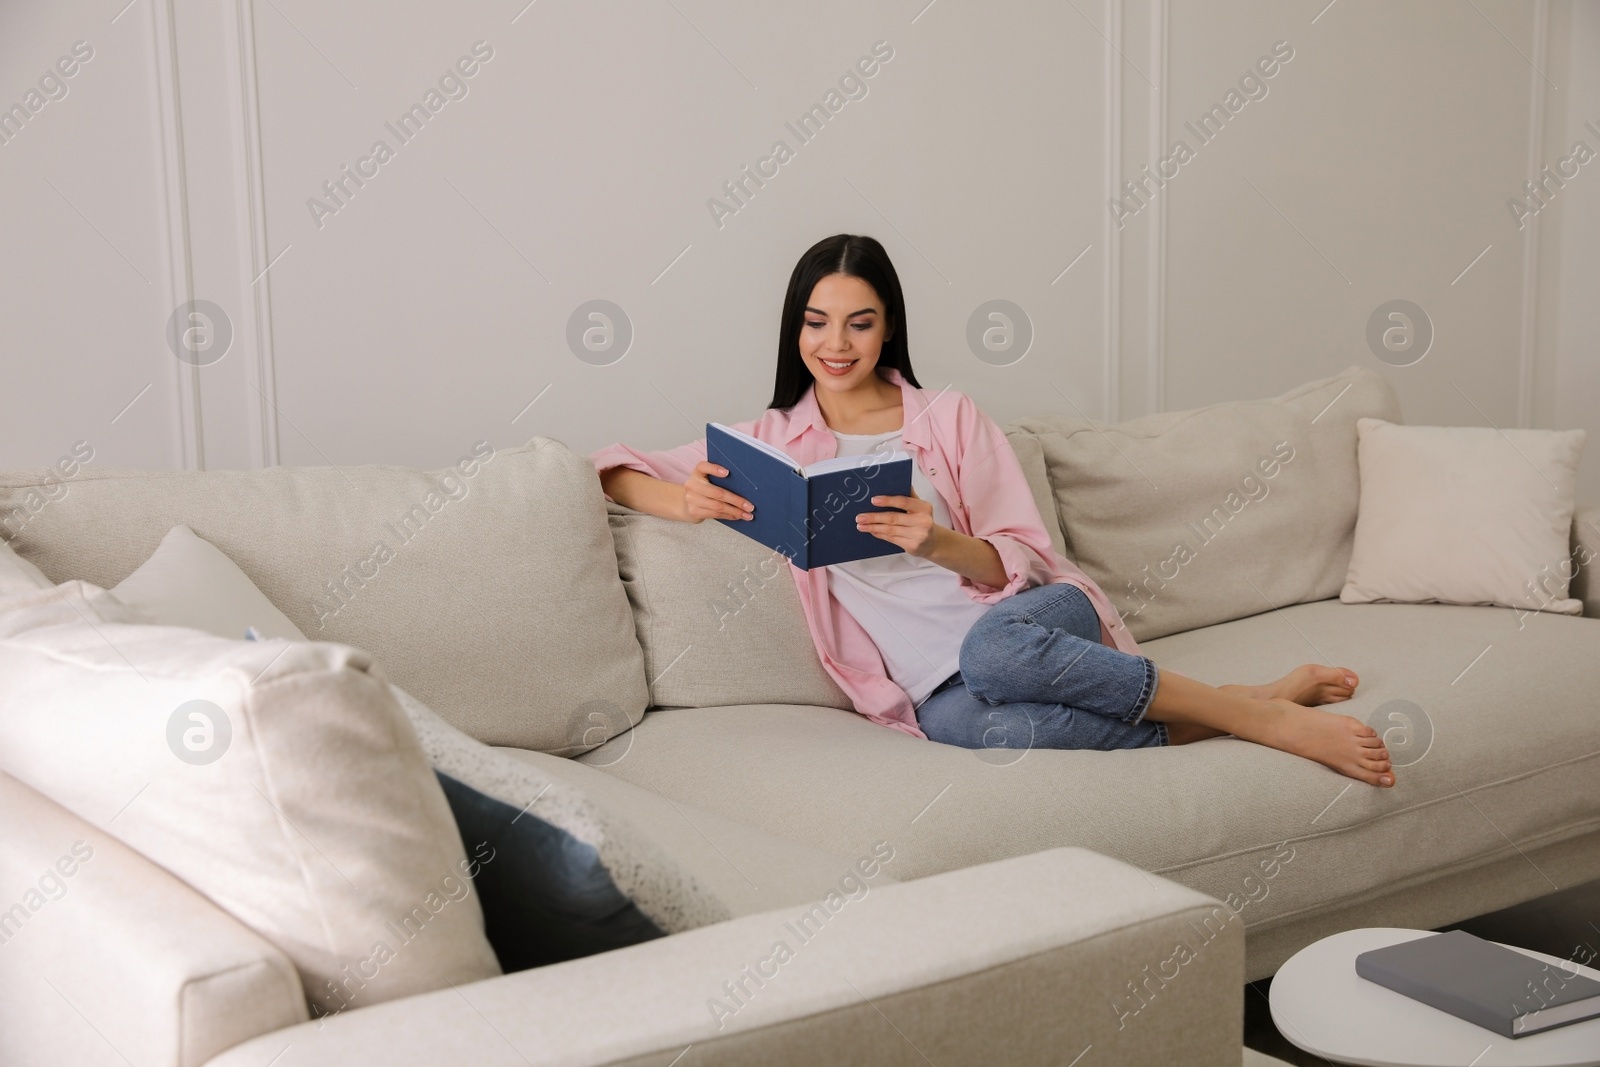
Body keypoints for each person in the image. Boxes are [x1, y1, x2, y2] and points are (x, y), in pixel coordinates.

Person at [590, 234, 1395, 787]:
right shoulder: (772, 441)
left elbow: (1025, 553)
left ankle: (1267, 722)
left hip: (1031, 623)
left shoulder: (948, 417)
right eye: (817, 322)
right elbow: (609, 469)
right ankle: (1254, 700)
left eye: (859, 322)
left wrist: (936, 540)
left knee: (994, 656)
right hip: (934, 686)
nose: (835, 343)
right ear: (795, 328)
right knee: (988, 730)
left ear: (889, 328)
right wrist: (683, 498)